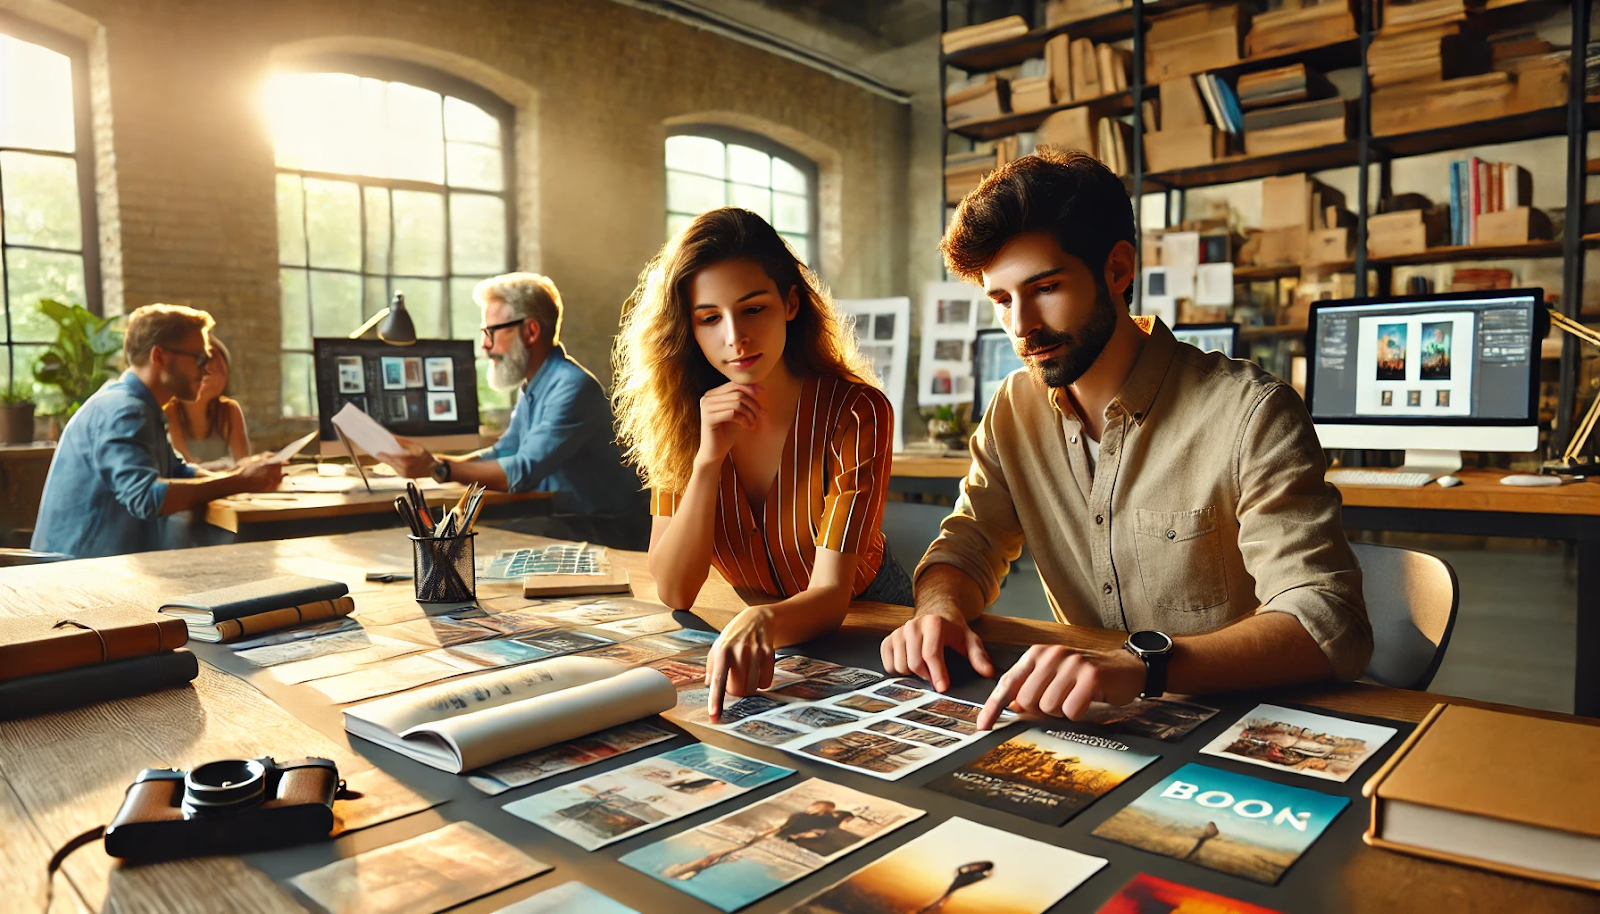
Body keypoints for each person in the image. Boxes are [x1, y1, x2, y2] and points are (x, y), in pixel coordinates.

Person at [879, 149, 1372, 730]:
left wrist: (1142, 665)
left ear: (1117, 270)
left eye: (1045, 288)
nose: (1020, 326)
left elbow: (1327, 621)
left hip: (1238, 723)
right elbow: (967, 546)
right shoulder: (1014, 408)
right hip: (1090, 724)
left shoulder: (1251, 413)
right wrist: (938, 610)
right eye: (1002, 299)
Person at [612, 207, 912, 720]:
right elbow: (674, 588)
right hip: (753, 630)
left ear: (790, 303)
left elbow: (830, 593)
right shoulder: (680, 417)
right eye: (710, 318)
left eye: (752, 309)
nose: (735, 337)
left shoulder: (857, 411)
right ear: (689, 328)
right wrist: (707, 460)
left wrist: (759, 621)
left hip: (873, 623)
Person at [376, 272, 649, 549]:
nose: (484, 345)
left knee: (478, 543)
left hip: (611, 528)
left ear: (530, 331)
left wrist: (440, 469)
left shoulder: (573, 386)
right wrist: (432, 464)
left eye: (490, 332)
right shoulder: (537, 384)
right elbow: (503, 452)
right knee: (459, 535)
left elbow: (520, 472)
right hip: (565, 517)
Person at [32, 304, 283, 558]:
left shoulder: (141, 405)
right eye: (199, 359)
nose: (206, 370)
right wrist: (242, 481)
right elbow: (146, 498)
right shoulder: (124, 410)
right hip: (76, 577)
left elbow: (177, 471)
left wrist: (241, 472)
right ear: (160, 357)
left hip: (107, 570)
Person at [164, 336, 249, 469]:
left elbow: (243, 464)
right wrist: (225, 465)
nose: (218, 379)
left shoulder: (230, 409)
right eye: (211, 374)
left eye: (223, 373)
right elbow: (184, 470)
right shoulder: (171, 410)